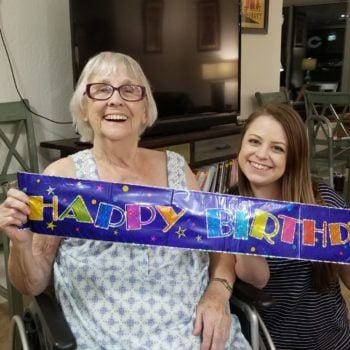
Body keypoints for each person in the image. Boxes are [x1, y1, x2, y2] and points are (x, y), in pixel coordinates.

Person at [0, 52, 251, 350]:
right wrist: (21, 244)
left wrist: (217, 294)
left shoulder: (177, 169)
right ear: (84, 107)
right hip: (110, 339)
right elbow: (32, 284)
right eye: (102, 89)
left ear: (145, 110)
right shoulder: (62, 181)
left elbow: (219, 247)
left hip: (198, 334)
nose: (116, 100)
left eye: (130, 90)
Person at [231, 103, 350, 350]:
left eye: (277, 148)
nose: (261, 154)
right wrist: (240, 222)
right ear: (242, 145)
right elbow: (256, 280)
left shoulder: (323, 201)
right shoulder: (227, 208)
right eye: (254, 142)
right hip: (273, 342)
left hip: (333, 340)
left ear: (293, 157)